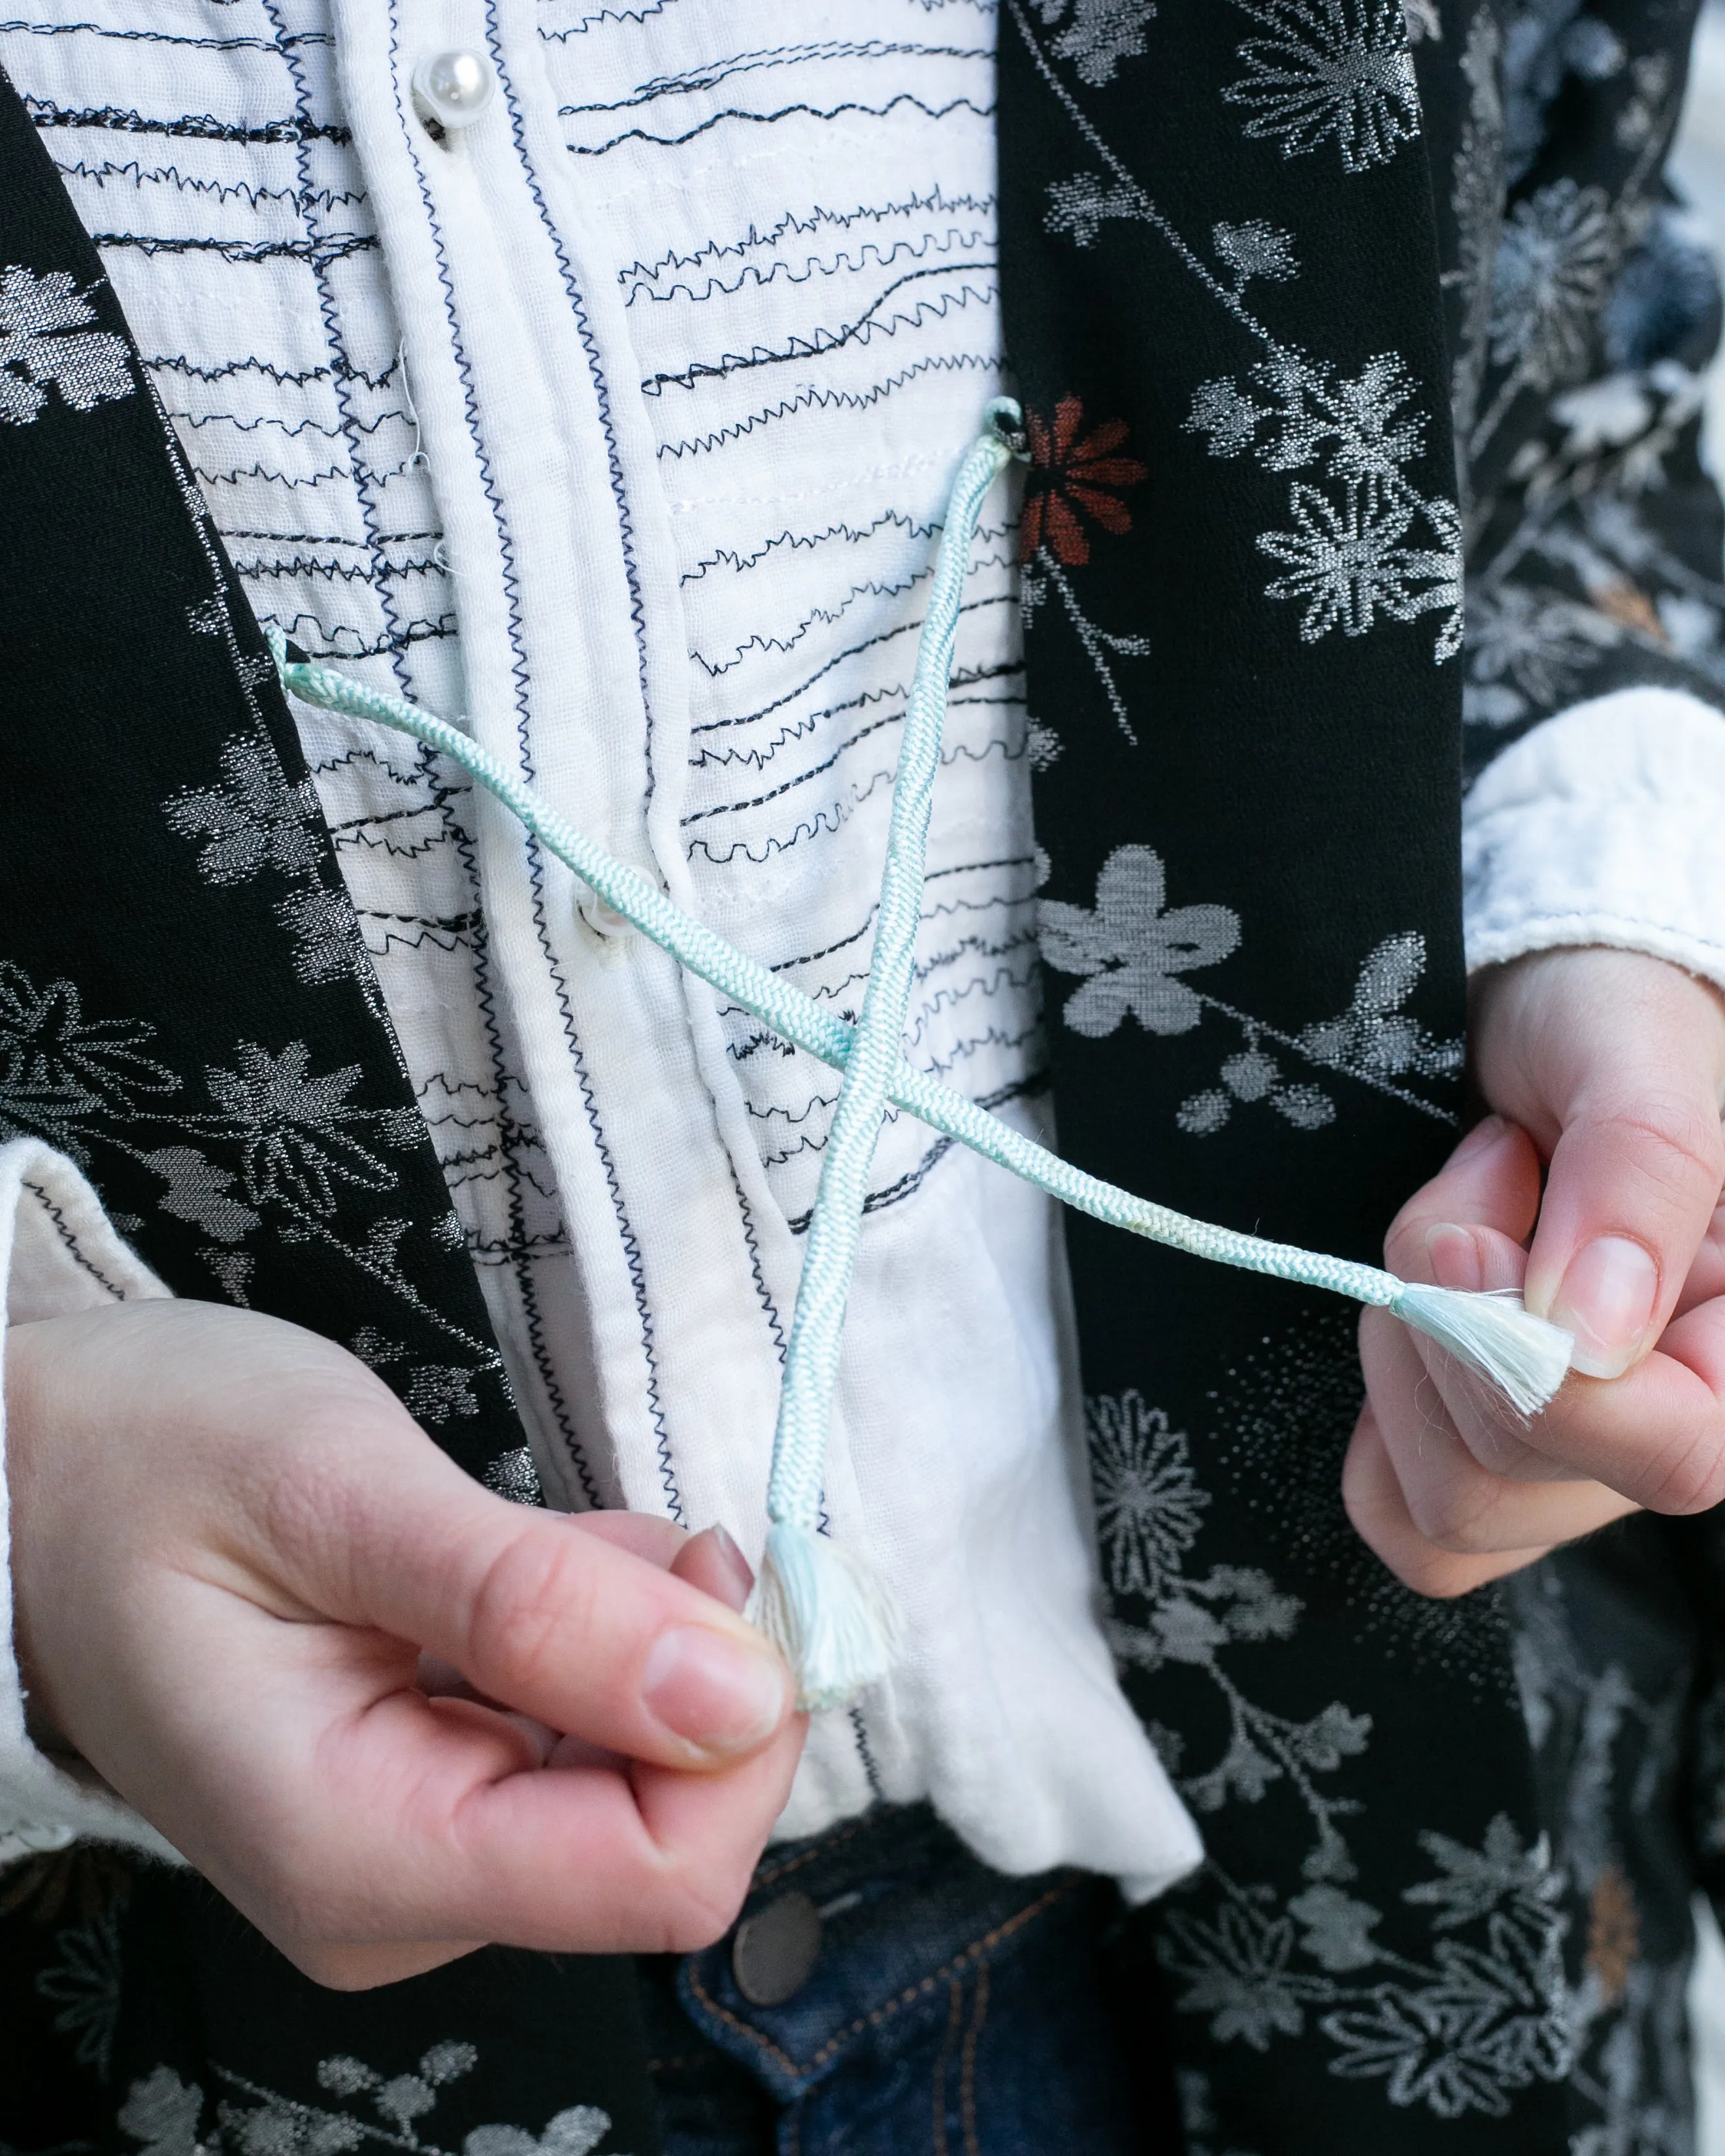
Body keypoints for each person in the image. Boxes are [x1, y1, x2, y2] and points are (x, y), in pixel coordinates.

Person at [1, 2, 1724, 2152]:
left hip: (1348, 1903)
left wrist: (1621, 930)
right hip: (179, 2047)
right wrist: (21, 1511)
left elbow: (1572, 362)